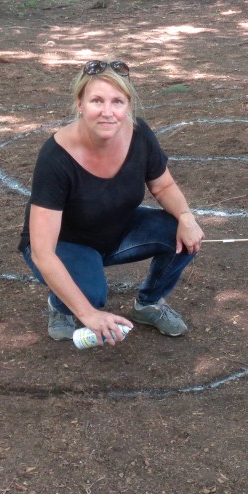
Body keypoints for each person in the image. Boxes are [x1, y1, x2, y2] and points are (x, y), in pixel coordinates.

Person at [19, 58, 204, 346]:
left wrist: (186, 216)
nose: (108, 112)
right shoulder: (56, 158)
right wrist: (88, 314)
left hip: (116, 230)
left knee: (182, 235)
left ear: (128, 105)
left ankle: (148, 304)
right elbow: (43, 253)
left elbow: (163, 185)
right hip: (64, 243)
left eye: (117, 101)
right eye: (97, 101)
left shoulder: (139, 134)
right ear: (80, 104)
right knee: (90, 295)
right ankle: (60, 306)